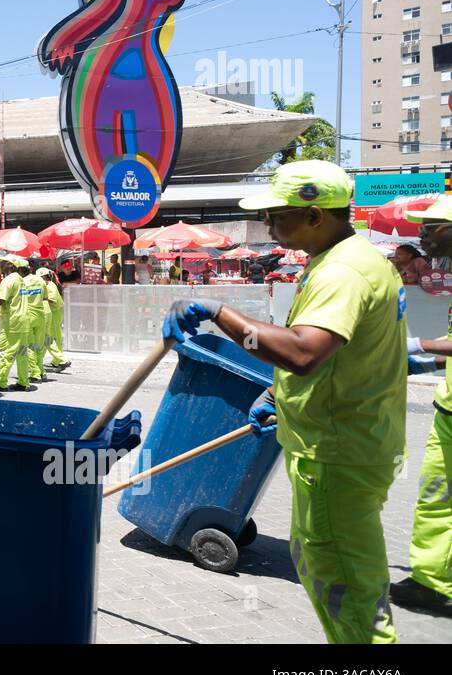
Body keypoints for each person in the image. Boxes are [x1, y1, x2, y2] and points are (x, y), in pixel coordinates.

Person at [163, 160, 404, 643]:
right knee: (329, 566)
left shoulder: (344, 273)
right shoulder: (348, 260)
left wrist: (217, 311)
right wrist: (277, 393)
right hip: (346, 443)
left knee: (348, 592)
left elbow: (302, 351)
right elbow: (337, 353)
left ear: (316, 216)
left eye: (277, 214)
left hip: (337, 454)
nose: (269, 224)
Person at [393, 198, 452, 615]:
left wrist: (415, 345)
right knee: (436, 497)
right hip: (448, 412)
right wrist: (428, 362)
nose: (423, 234)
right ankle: (432, 582)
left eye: (433, 226)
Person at [0, 254, 33, 392]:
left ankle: (1, 382)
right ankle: (23, 382)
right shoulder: (21, 279)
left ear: (10, 265)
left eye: (2, 263)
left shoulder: (8, 280)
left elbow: (0, 301)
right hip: (23, 321)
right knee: (22, 353)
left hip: (12, 321)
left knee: (6, 352)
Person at [38, 267, 70, 372]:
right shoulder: (47, 284)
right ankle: (41, 361)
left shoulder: (49, 285)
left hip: (54, 313)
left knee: (54, 337)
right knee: (48, 338)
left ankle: (59, 360)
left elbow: (52, 300)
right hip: (53, 312)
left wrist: (40, 299)